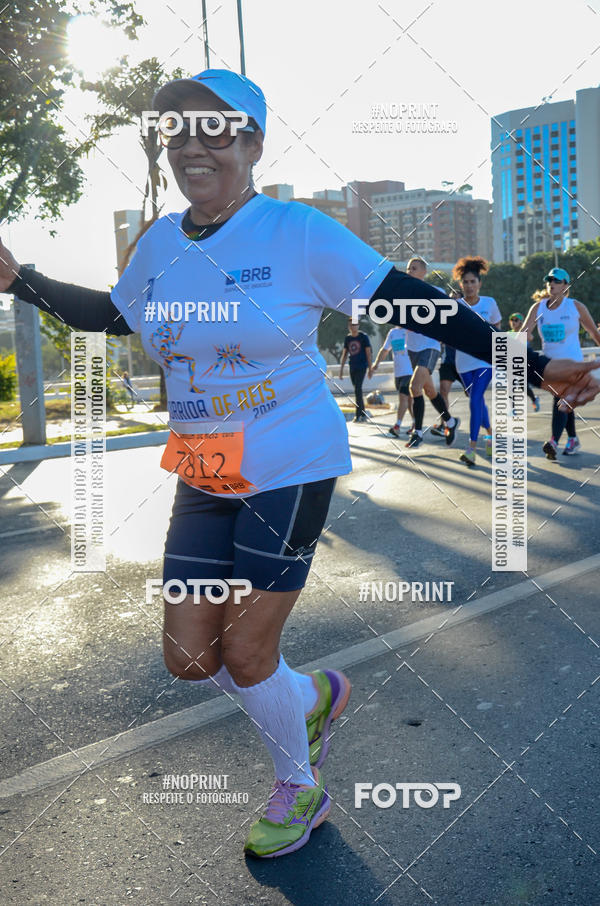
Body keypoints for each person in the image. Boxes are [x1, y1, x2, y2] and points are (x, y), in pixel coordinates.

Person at [1, 70, 598, 861]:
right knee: (189, 658)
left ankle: (299, 786)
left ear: (251, 143)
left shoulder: (298, 233)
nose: (194, 144)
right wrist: (20, 280)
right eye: (177, 129)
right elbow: (113, 314)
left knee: (247, 653)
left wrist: (527, 366)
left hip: (289, 466)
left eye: (217, 129)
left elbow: (414, 302)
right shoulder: (159, 243)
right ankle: (309, 698)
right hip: (204, 468)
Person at [522, 267, 600, 458]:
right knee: (565, 400)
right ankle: (573, 438)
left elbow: (594, 333)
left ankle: (553, 441)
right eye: (549, 281)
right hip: (550, 366)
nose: (552, 284)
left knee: (561, 398)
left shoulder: (575, 307)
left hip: (573, 364)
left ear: (566, 285)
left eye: (557, 281)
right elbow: (524, 331)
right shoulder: (538, 308)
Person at [404, 256, 459, 448]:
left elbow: (448, 313)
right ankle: (450, 423)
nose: (409, 271)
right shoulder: (404, 295)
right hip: (412, 347)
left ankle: (417, 432)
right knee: (429, 390)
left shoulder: (436, 292)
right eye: (409, 269)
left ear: (423, 272)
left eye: (413, 268)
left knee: (414, 387)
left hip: (431, 346)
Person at [453, 256, 501, 468]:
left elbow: (497, 329)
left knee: (475, 400)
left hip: (485, 361)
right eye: (466, 282)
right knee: (478, 400)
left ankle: (471, 449)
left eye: (473, 282)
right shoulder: (455, 306)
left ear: (479, 284)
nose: (469, 285)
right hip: (462, 362)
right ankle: (490, 435)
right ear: (460, 284)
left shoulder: (489, 303)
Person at [372, 325, 413, 436]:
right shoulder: (392, 332)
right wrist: (376, 364)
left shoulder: (409, 330)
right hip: (398, 373)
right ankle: (415, 423)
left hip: (410, 372)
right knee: (409, 402)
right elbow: (385, 350)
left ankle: (397, 426)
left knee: (403, 399)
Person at [339, 318, 372, 422]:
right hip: (352, 366)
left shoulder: (363, 337)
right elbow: (344, 354)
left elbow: (368, 353)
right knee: (357, 390)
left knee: (358, 389)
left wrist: (370, 368)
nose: (353, 327)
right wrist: (341, 370)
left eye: (355, 325)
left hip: (362, 366)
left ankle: (358, 415)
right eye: (351, 325)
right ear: (349, 327)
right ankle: (363, 413)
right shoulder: (347, 339)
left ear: (358, 325)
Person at [507, 312, 540, 411]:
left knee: (523, 386)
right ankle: (512, 408)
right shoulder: (508, 333)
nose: (513, 322)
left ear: (521, 322)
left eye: (516, 320)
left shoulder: (525, 333)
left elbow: (530, 340)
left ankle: (534, 399)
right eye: (512, 320)